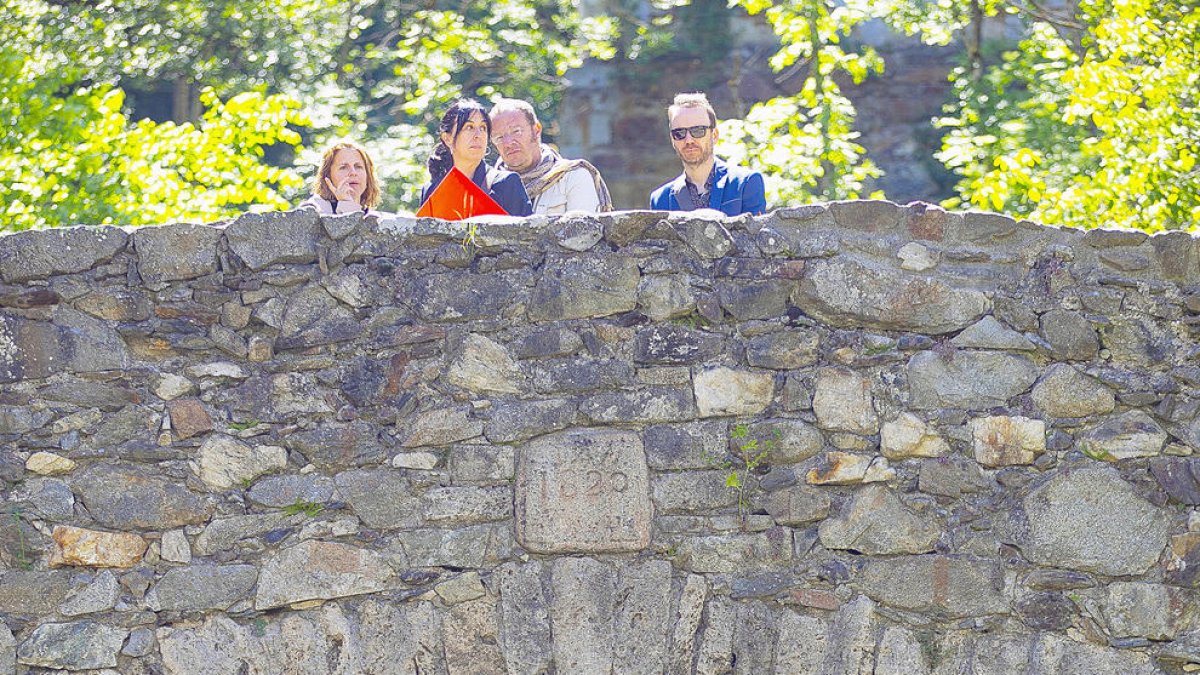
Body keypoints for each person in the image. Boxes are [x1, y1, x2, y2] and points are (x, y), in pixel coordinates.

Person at [649, 92, 766, 216]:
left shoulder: (745, 183)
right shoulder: (660, 200)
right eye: (679, 133)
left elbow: (752, 235)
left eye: (698, 131)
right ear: (673, 140)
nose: (688, 140)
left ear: (714, 135)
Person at [489, 98, 612, 215]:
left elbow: (585, 235)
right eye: (499, 137)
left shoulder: (573, 177)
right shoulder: (489, 187)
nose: (508, 143)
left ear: (536, 130)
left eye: (516, 131)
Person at [420, 99, 532, 217]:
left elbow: (528, 234)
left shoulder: (506, 184)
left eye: (483, 128)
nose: (478, 135)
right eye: (469, 127)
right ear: (447, 139)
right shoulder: (432, 190)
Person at [299, 142, 382, 214]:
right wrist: (347, 205)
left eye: (358, 166)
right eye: (343, 167)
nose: (353, 173)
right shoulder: (313, 210)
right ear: (327, 176)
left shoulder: (377, 219)